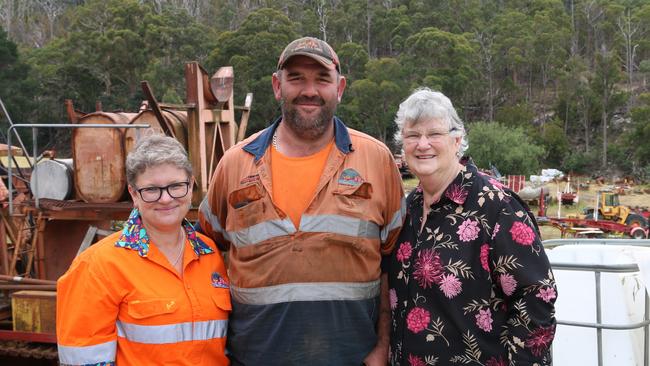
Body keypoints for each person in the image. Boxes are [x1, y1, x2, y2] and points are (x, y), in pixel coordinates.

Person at [198, 36, 405, 365]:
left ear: (340, 88)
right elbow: (208, 250)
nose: (309, 90)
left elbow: (391, 263)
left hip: (351, 357)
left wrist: (382, 345)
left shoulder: (376, 162)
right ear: (277, 86)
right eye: (296, 78)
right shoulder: (235, 164)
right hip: (254, 357)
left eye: (322, 79)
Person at [388, 88, 557, 365]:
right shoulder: (408, 208)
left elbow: (536, 298)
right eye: (412, 135)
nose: (422, 144)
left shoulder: (497, 206)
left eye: (434, 134)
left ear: (457, 140)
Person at [57, 135, 230, 366]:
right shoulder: (98, 266)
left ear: (191, 186)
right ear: (134, 194)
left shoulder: (210, 254)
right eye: (151, 190)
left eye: (176, 186)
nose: (166, 199)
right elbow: (83, 359)